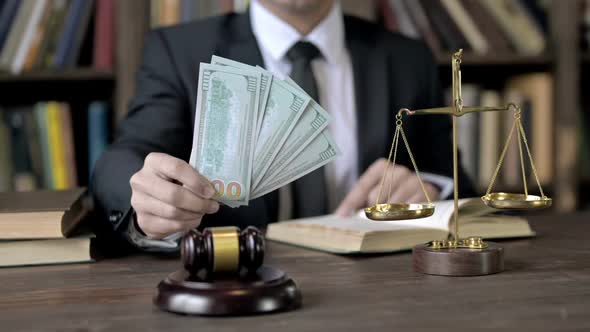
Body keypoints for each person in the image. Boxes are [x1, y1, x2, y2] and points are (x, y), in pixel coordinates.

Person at [91, 0, 474, 252]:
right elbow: (124, 157)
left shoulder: (407, 57)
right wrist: (144, 194)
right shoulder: (179, 51)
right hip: (235, 284)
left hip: (379, 291)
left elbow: (455, 179)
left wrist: (429, 189)